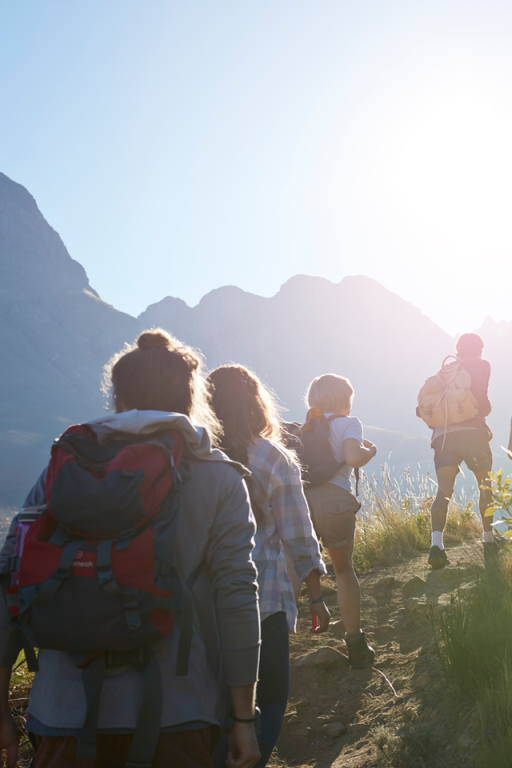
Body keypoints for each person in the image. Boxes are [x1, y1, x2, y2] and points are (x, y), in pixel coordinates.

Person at [0, 329, 261, 768]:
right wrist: (243, 718)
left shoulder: (62, 469)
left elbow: (10, 579)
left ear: (118, 397)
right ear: (190, 397)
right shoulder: (219, 478)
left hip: (62, 712)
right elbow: (237, 597)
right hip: (176, 714)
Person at [207, 365, 330, 768]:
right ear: (257, 405)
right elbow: (298, 533)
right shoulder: (274, 458)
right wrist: (315, 596)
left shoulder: (194, 457)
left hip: (202, 605)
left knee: (214, 703)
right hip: (265, 601)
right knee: (271, 697)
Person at [302, 373, 376, 668]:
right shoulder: (349, 422)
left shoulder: (308, 426)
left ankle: (278, 640)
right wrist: (371, 450)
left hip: (303, 500)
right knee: (343, 569)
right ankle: (355, 643)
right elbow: (354, 458)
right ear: (345, 399)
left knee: (300, 565)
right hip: (335, 499)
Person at [422, 333, 494, 569]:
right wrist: (485, 409)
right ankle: (489, 540)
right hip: (472, 434)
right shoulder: (480, 365)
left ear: (458, 349)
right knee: (485, 484)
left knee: (443, 491)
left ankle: (437, 545)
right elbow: (482, 401)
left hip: (443, 437)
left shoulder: (446, 371)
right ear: (480, 350)